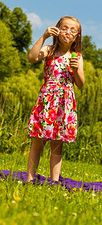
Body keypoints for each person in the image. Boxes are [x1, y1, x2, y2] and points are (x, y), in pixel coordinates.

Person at [27, 15, 85, 182]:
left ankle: (54, 182)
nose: (68, 32)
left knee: (57, 145)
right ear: (57, 30)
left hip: (64, 104)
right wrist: (44, 36)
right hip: (47, 101)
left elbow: (80, 84)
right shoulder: (48, 50)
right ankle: (30, 180)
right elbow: (31, 57)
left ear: (77, 36)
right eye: (64, 28)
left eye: (72, 30)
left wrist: (77, 71)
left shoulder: (77, 57)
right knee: (38, 142)